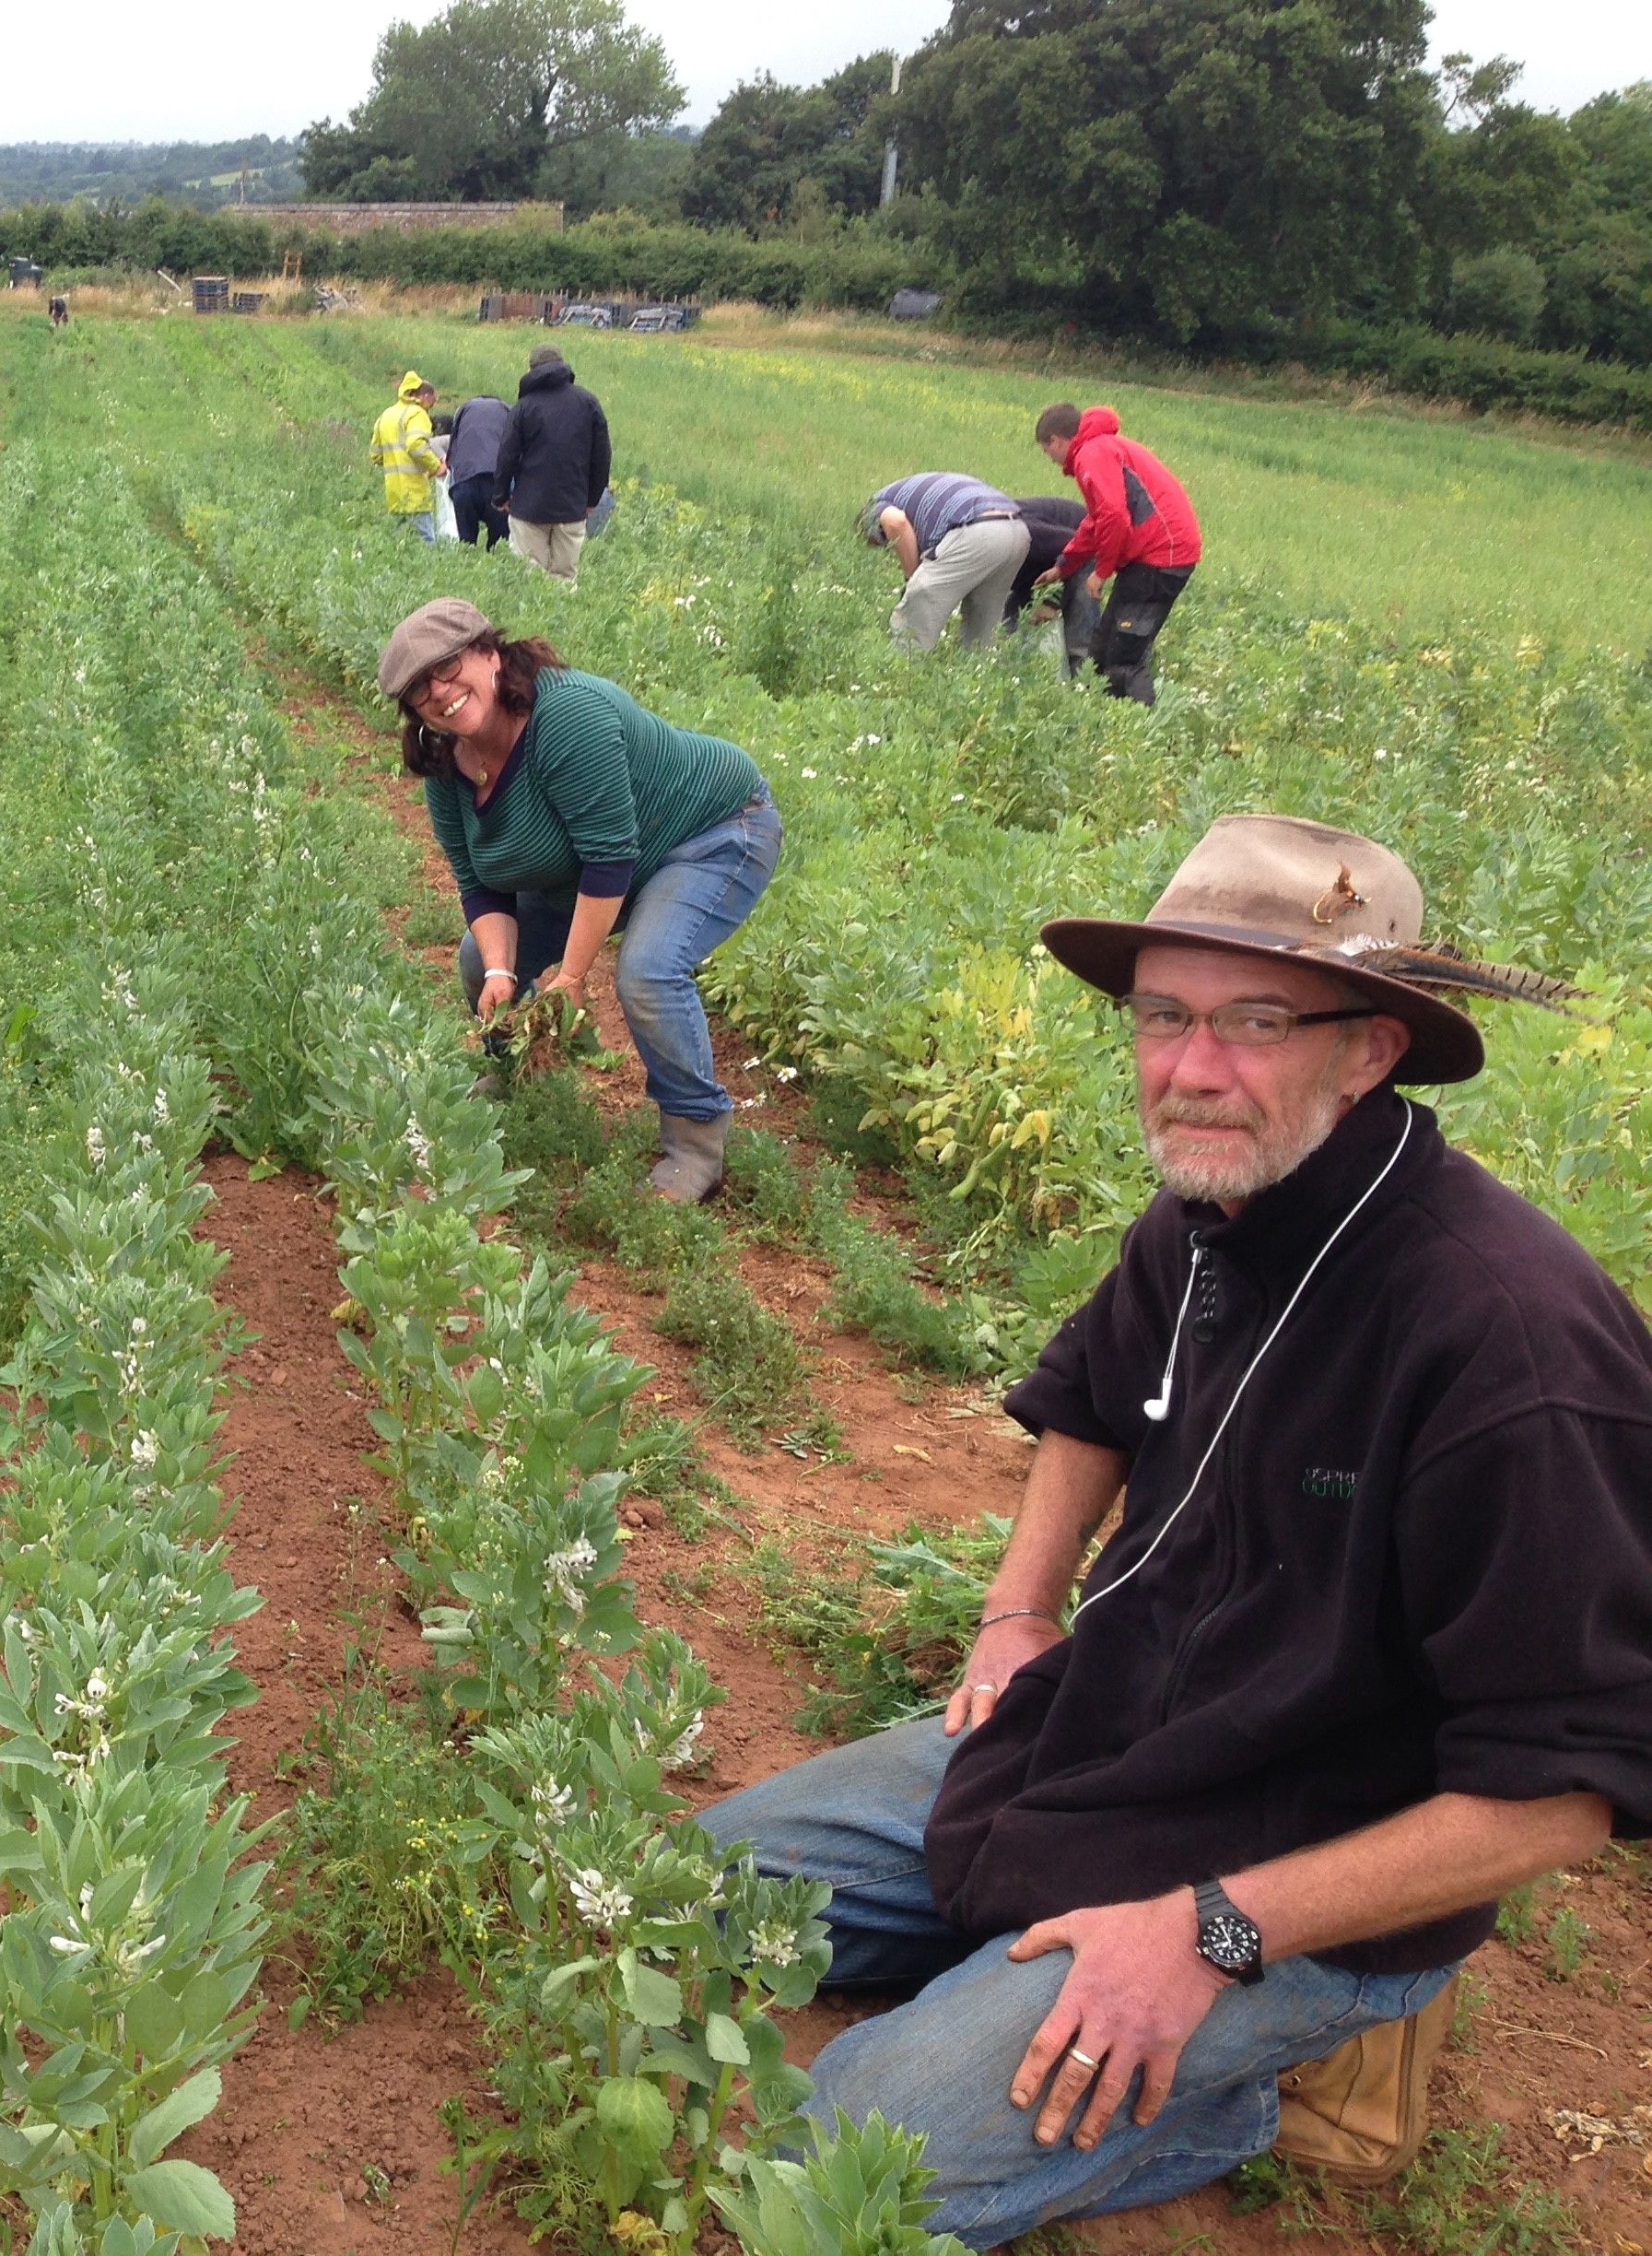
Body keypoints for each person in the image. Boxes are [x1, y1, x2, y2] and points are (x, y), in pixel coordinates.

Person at [698, 813, 1648, 2248]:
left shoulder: (1508, 1355)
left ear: (1370, 1047)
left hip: (1306, 1857)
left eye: (1255, 1021)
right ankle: (1031, 1967)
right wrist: (1020, 1615)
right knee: (688, 1894)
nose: (1191, 1068)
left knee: (847, 2157)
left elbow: (1566, 1790)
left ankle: (1253, 2079)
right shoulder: (1216, 1204)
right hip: (1118, 1732)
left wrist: (1208, 1936)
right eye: (1163, 1015)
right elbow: (1088, 1396)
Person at [378, 597, 779, 1202]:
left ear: (489, 653)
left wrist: (570, 975)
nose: (440, 692)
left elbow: (609, 858)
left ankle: (695, 1142)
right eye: (418, 690)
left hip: (710, 833)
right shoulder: (448, 765)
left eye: (448, 666)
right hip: (593, 865)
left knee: (648, 973)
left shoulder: (565, 716)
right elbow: (479, 883)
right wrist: (500, 970)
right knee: (478, 960)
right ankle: (514, 1075)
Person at [1036, 402, 1202, 706]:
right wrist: (1064, 565)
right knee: (1100, 651)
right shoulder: (1100, 448)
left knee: (1124, 657)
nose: (1052, 460)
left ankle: (1142, 736)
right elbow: (1097, 520)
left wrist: (1101, 572)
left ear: (1056, 441)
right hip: (1149, 558)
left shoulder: (1092, 454)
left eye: (1048, 452)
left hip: (1162, 558)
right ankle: (1101, 725)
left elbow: (1115, 517)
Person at [861, 471, 1030, 652]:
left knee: (919, 600)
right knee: (981, 629)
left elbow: (896, 523)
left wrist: (911, 578)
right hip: (1018, 530)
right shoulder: (909, 493)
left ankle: (900, 671)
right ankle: (976, 671)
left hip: (978, 528)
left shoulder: (876, 507)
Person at [498, 343, 611, 584]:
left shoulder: (523, 407)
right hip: (572, 507)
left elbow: (506, 454)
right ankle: (564, 621)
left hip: (529, 507)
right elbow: (602, 457)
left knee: (530, 576)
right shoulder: (588, 403)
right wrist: (592, 499)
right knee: (565, 578)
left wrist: (500, 496)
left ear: (531, 369)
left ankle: (531, 622)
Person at [1007, 494, 1103, 676]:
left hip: (1081, 549)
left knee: (1080, 623)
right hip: (1042, 562)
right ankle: (1017, 680)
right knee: (1009, 624)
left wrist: (1051, 601)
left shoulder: (1024, 530)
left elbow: (1077, 547)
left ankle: (1087, 682)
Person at [371, 373, 447, 544]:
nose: (430, 409)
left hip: (394, 494)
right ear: (425, 396)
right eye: (432, 404)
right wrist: (436, 466)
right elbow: (415, 445)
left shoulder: (386, 415)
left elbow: (375, 454)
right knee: (426, 542)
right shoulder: (417, 414)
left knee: (400, 545)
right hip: (415, 493)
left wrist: (395, 458)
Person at [446, 390, 512, 549]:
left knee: (467, 544)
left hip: (464, 484)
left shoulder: (464, 410)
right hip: (497, 485)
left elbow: (451, 449)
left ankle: (466, 570)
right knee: (499, 545)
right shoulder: (507, 411)